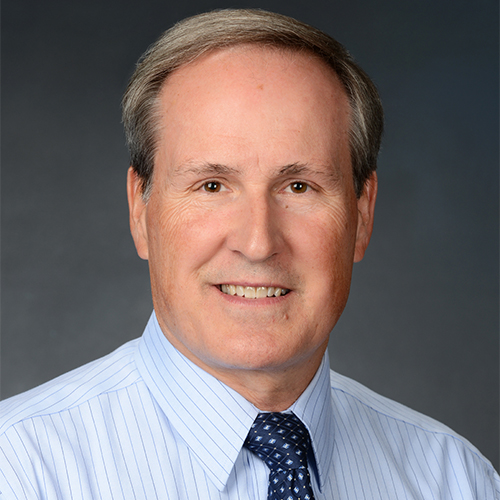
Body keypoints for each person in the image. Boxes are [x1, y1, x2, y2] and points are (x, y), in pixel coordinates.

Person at [0, 9, 498, 500]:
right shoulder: (20, 470)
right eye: (212, 185)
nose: (258, 242)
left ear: (362, 214)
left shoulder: (454, 480)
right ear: (140, 210)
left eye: (299, 186)